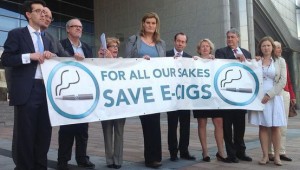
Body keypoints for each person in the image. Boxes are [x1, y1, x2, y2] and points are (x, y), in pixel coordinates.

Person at [1, 0, 54, 169]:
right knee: (26, 135)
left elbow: (59, 58)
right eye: (38, 11)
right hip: (27, 90)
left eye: (44, 12)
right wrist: (28, 56)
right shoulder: (17, 34)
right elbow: (6, 59)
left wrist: (51, 55)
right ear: (28, 15)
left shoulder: (47, 39)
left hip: (46, 91)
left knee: (44, 134)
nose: (43, 14)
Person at [125, 12, 166, 168]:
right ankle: (150, 157)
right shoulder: (134, 40)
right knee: (147, 122)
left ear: (156, 25)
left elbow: (164, 64)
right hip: (140, 87)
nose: (150, 25)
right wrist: (140, 61)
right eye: (148, 22)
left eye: (153, 23)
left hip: (156, 87)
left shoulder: (161, 43)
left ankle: (156, 156)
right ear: (143, 24)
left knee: (155, 121)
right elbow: (127, 60)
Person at [57, 18, 95, 170]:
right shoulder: (60, 44)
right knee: (66, 129)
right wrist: (72, 58)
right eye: (75, 26)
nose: (79, 29)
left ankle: (82, 158)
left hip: (83, 92)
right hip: (67, 93)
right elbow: (57, 61)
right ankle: (63, 161)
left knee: (82, 129)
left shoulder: (86, 47)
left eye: (80, 27)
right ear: (68, 29)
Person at [215, 28, 252, 163]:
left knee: (240, 126)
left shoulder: (247, 53)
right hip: (226, 96)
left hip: (242, 96)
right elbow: (220, 65)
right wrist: (235, 58)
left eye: (232, 37)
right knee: (227, 127)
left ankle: (240, 151)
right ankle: (231, 153)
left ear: (238, 38)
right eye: (228, 37)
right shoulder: (221, 52)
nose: (230, 39)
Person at [248, 36, 287, 166]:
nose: (266, 48)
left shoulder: (280, 61)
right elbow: (247, 71)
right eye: (263, 46)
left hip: (274, 97)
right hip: (259, 98)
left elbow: (282, 81)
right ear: (260, 48)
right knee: (263, 126)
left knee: (276, 127)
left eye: (268, 45)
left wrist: (269, 94)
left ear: (272, 47)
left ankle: (276, 156)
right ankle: (265, 155)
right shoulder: (256, 61)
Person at [193, 39, 227, 162]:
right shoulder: (194, 61)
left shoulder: (215, 61)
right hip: (200, 97)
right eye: (203, 46)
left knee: (218, 123)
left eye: (207, 46)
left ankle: (221, 151)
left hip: (214, 97)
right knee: (202, 123)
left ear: (211, 49)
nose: (205, 48)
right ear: (199, 48)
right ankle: (205, 152)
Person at [166, 32, 195, 162]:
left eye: (183, 42)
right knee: (172, 125)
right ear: (174, 41)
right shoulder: (165, 55)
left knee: (185, 125)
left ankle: (184, 151)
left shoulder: (189, 58)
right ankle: (173, 152)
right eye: (178, 41)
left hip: (185, 97)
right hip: (171, 97)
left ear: (186, 43)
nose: (180, 43)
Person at [98, 37, 126, 169]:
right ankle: (109, 160)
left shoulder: (121, 62)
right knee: (107, 131)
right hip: (106, 103)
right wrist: (101, 60)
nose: (115, 48)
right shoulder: (99, 63)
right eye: (112, 46)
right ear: (105, 48)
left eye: (116, 46)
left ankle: (118, 160)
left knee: (119, 132)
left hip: (120, 102)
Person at [268, 41, 295, 162]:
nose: (280, 50)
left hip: (284, 93)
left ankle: (281, 151)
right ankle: (270, 152)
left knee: (283, 125)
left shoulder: (282, 61)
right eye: (277, 48)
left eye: (280, 48)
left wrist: (292, 95)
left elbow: (288, 80)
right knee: (270, 125)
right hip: (272, 94)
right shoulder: (269, 61)